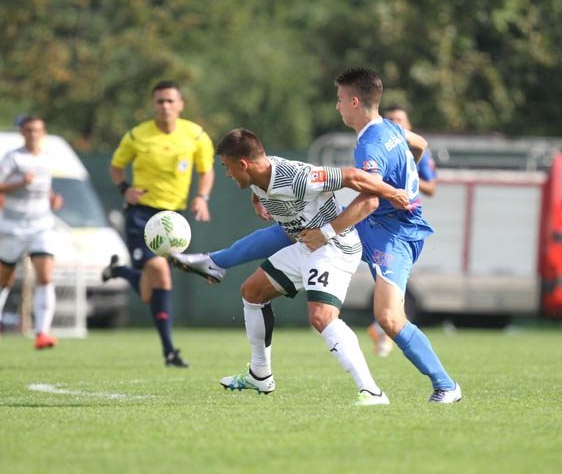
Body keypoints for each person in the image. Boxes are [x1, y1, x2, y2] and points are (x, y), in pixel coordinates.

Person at [172, 68, 460, 403]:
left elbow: (367, 199)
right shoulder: (391, 128)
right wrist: (407, 177)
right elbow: (419, 144)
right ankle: (217, 266)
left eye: (339, 100)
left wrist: (336, 227)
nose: (337, 107)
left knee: (389, 317)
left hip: (392, 233)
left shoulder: (369, 144)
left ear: (354, 101)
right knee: (284, 244)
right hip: (376, 226)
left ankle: (445, 386)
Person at [214, 127, 410, 406]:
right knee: (252, 292)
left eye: (228, 167)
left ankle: (372, 391)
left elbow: (352, 177)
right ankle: (259, 374)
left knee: (321, 317)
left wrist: (394, 194)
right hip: (308, 246)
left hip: (334, 246)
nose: (228, 174)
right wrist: (258, 199)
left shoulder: (295, 178)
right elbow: (259, 186)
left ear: (243, 164)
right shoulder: (259, 175)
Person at [102, 80, 215, 368]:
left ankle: (119, 270)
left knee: (146, 291)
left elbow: (207, 170)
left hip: (173, 219)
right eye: (160, 101)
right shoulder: (138, 135)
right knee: (161, 276)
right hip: (141, 215)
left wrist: (202, 197)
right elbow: (116, 166)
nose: (165, 106)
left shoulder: (196, 135)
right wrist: (124, 188)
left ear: (180, 105)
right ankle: (170, 352)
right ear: (153, 105)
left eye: (170, 101)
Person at [365, 104, 439, 356]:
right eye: (391, 119)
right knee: (387, 277)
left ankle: (383, 328)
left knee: (395, 279)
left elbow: (431, 188)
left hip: (406, 222)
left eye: (400, 120)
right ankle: (384, 328)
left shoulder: (416, 153)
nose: (396, 123)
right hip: (385, 223)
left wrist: (409, 179)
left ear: (407, 125)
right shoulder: (381, 147)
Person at [0, 116, 63, 349]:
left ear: (43, 132)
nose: (33, 134)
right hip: (12, 227)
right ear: (22, 132)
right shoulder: (13, 158)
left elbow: (45, 187)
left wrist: (53, 198)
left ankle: (42, 333)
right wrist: (18, 183)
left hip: (41, 225)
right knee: (5, 279)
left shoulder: (47, 159)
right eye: (28, 130)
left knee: (45, 276)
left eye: (37, 130)